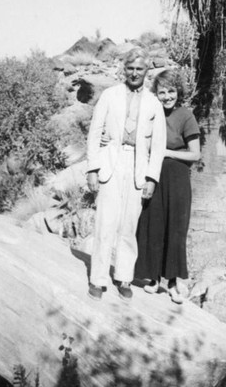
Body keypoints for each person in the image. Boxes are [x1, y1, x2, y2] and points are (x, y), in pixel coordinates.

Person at [86, 48, 166, 301]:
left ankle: (124, 278)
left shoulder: (154, 102)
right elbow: (95, 131)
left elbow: (159, 144)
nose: (134, 73)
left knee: (129, 226)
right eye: (130, 68)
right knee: (106, 222)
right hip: (112, 161)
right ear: (124, 69)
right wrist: (92, 169)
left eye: (139, 69)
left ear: (146, 72)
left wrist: (152, 178)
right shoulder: (110, 95)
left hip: (137, 167)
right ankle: (98, 279)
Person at [135, 68, 200, 304]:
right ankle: (153, 278)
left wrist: (166, 152)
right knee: (152, 225)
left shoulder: (185, 115)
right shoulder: (152, 113)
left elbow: (195, 155)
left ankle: (173, 282)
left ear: (178, 92)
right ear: (156, 94)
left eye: (171, 91)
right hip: (154, 177)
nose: (167, 97)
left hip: (178, 178)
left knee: (176, 229)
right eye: (162, 92)